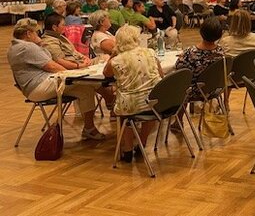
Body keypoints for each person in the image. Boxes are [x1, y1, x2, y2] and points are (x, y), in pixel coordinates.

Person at [8, 18, 108, 140]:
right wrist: (71, 73)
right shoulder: (27, 47)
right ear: (28, 34)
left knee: (85, 89)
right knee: (85, 80)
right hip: (39, 86)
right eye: (36, 32)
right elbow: (52, 66)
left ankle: (89, 128)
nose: (39, 34)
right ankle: (110, 105)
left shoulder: (15, 46)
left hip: (35, 87)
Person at [103, 25, 163, 163]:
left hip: (130, 105)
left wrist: (113, 54)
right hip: (154, 101)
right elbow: (161, 75)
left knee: (125, 116)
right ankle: (142, 142)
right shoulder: (150, 52)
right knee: (150, 109)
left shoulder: (116, 60)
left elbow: (106, 73)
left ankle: (127, 150)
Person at [175, 17, 225, 101]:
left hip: (194, 91)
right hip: (215, 88)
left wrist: (181, 57)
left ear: (201, 32)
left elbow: (178, 67)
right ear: (219, 34)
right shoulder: (220, 51)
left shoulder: (191, 52)